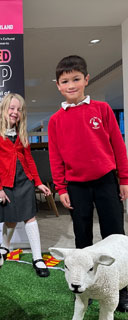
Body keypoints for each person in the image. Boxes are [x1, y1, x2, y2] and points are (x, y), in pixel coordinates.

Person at [48, 55, 128, 311]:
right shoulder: (55, 120)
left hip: (106, 181)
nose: (71, 85)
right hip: (76, 186)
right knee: (82, 237)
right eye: (65, 81)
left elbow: (118, 145)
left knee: (114, 234)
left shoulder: (102, 109)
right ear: (58, 85)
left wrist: (124, 179)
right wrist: (60, 188)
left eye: (76, 79)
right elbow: (55, 156)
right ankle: (84, 286)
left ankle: (122, 289)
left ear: (86, 79)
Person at [0, 93, 51, 277]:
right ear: (4, 110)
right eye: (11, 108)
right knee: (11, 219)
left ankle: (37, 258)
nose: (15, 112)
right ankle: (5, 248)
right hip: (6, 185)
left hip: (25, 182)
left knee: (30, 218)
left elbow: (29, 160)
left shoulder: (22, 135)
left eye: (19, 110)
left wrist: (38, 182)